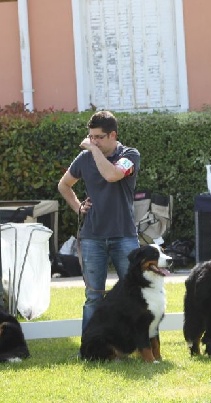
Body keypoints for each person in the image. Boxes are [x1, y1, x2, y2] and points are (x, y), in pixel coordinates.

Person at [57, 110, 141, 333]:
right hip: (92, 237)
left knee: (134, 293)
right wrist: (78, 208)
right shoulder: (84, 159)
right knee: (93, 296)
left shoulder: (130, 155)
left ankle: (139, 346)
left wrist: (93, 149)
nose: (93, 141)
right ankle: (90, 349)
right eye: (91, 137)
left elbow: (112, 175)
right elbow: (63, 185)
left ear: (113, 135)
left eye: (98, 137)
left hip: (124, 235)